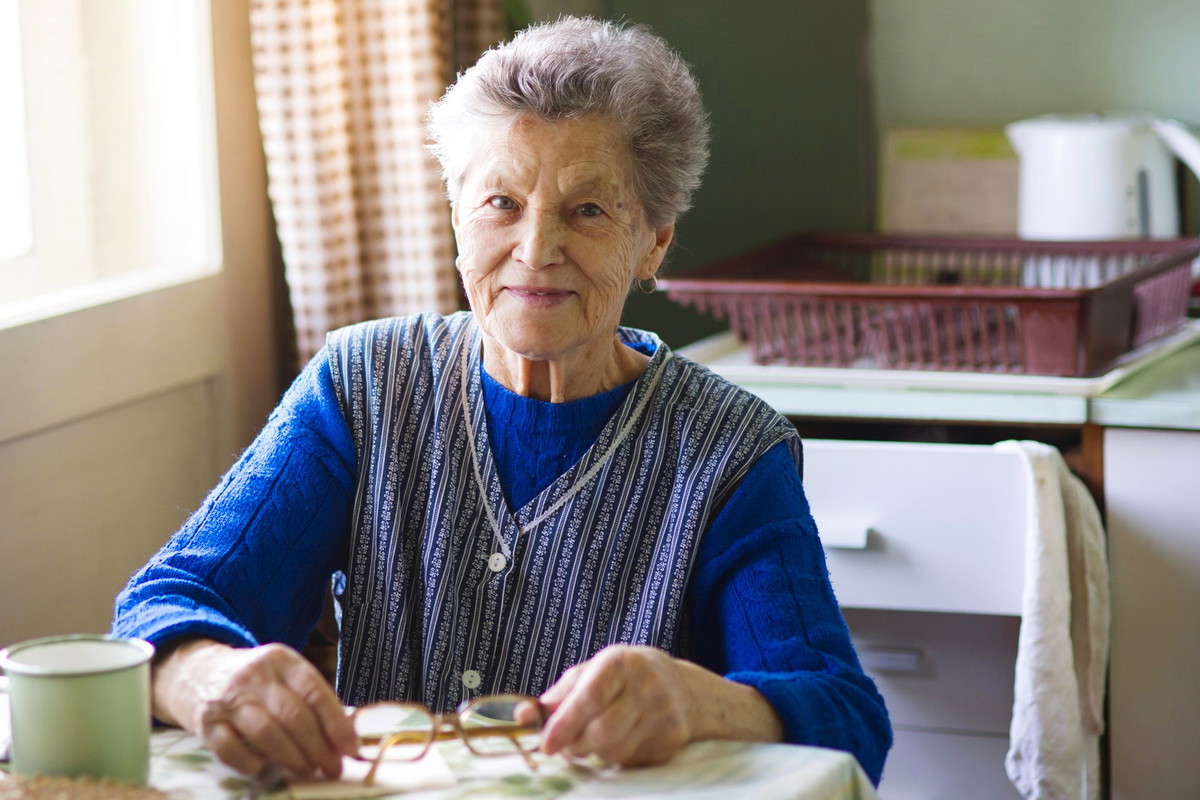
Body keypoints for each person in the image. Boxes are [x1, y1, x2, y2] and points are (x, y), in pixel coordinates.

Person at [113, 16, 892, 786]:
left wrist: (697, 701)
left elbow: (847, 719)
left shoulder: (729, 451)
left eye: (587, 210)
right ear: (456, 216)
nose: (536, 249)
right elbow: (163, 603)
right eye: (501, 204)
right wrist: (207, 677)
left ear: (654, 240)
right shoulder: (363, 385)